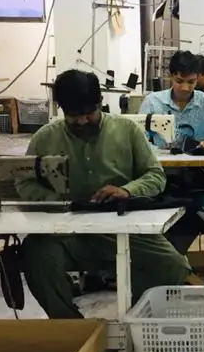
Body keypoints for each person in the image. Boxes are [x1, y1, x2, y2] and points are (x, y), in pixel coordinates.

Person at [15, 70, 190, 319]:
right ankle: (71, 328)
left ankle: (136, 320)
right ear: (61, 109)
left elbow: (155, 175)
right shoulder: (45, 138)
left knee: (172, 264)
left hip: (122, 227)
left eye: (89, 114)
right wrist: (60, 202)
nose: (83, 121)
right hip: (67, 231)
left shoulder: (127, 131)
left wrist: (126, 190)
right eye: (74, 116)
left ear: (100, 104)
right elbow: (24, 182)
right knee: (36, 255)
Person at [139, 51, 204, 150]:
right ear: (170, 76)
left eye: (191, 82)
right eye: (179, 81)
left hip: (199, 161)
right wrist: (155, 150)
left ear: (197, 79)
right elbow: (137, 138)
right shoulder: (153, 102)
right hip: (161, 161)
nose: (185, 88)